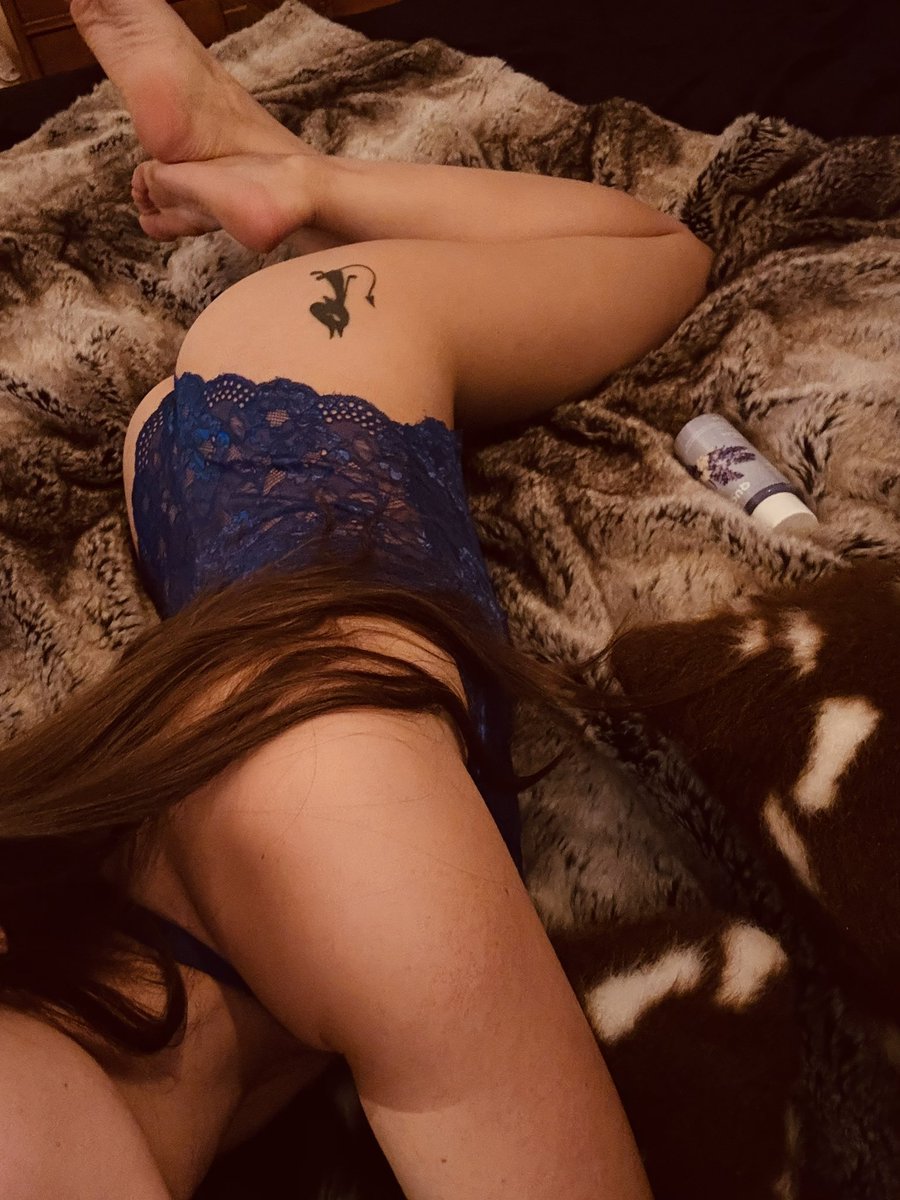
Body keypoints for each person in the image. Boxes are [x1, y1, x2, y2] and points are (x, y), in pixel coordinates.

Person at [0, 2, 713, 1197]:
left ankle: (292, 175)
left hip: (298, 402)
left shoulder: (345, 857)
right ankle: (262, 165)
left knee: (661, 253)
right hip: (209, 527)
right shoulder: (125, 1083)